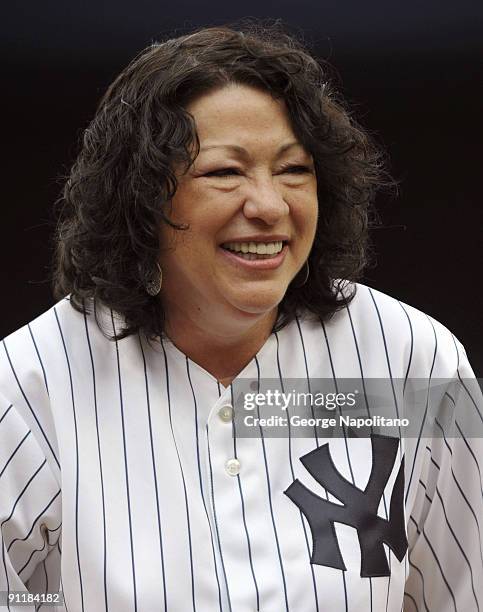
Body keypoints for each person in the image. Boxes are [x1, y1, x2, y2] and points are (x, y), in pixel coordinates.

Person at [0, 23, 481, 612]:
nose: (269, 205)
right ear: (142, 200)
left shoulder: (415, 359)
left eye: (294, 170)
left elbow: (461, 593)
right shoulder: (29, 384)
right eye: (225, 172)